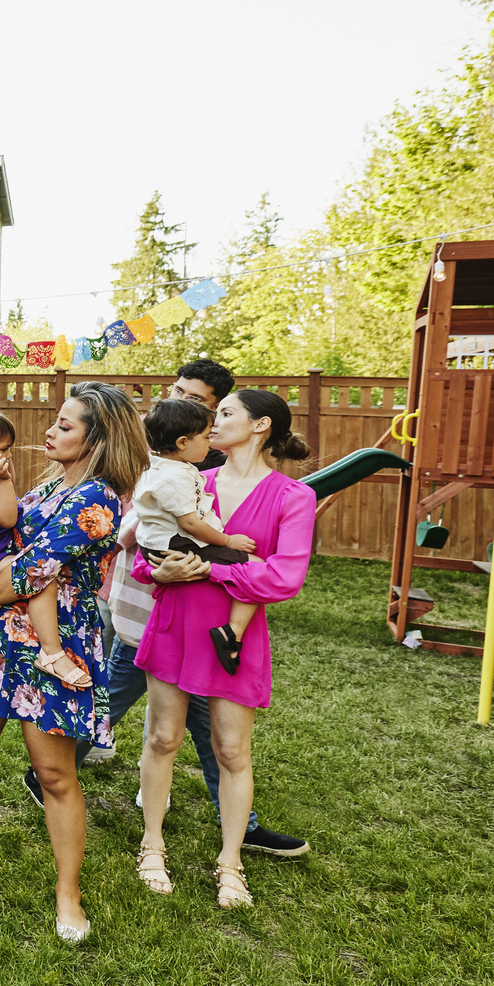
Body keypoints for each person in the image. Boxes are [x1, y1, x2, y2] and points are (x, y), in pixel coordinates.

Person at [0, 382, 147, 946]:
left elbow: (25, 572)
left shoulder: (97, 499)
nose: (50, 431)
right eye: (57, 421)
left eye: (66, 425)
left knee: (54, 775)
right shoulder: (50, 487)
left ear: (97, 440)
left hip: (53, 647)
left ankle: (68, 894)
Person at [133, 389, 316, 910]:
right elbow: (149, 548)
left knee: (232, 751)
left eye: (227, 413)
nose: (214, 421)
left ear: (260, 426)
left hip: (233, 634)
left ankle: (231, 862)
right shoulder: (188, 477)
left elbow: (284, 576)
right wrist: (157, 570)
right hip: (175, 620)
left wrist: (212, 569)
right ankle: (152, 844)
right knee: (161, 737)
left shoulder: (292, 496)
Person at [0, 403, 92, 690]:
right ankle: (52, 651)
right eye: (3, 449)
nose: (8, 456)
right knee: (40, 577)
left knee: (33, 574)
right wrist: (5, 480)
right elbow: (8, 518)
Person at [137, 398, 261, 673]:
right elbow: (191, 524)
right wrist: (229, 541)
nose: (210, 441)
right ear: (182, 442)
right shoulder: (175, 477)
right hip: (179, 544)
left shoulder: (156, 466)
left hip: (157, 544)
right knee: (257, 567)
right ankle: (233, 632)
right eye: (206, 437)